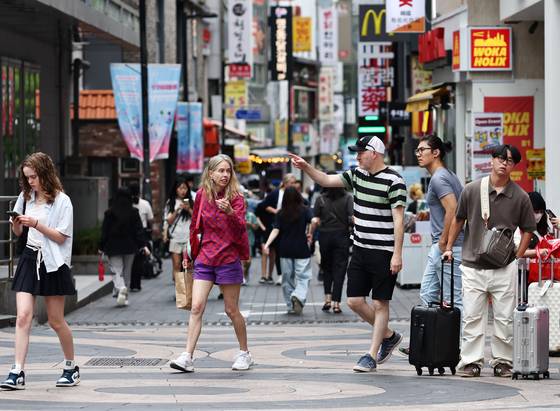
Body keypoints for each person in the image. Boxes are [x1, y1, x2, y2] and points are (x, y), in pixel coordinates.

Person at [290, 135, 407, 373]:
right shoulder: (356, 175)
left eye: (360, 152)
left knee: (380, 303)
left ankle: (371, 355)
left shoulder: (394, 181)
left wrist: (397, 254)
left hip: (384, 251)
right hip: (361, 248)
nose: (357, 156)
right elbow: (326, 179)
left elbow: (399, 221)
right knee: (354, 301)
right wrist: (306, 167)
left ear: (374, 153)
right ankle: (389, 336)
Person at [443, 144, 535, 378]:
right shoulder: (473, 190)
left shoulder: (521, 196)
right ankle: (471, 361)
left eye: (511, 160)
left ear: (514, 166)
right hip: (473, 266)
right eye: (501, 159)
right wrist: (449, 247)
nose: (505, 163)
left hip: (504, 267)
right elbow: (458, 219)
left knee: (504, 319)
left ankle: (502, 362)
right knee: (473, 317)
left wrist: (519, 254)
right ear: (492, 161)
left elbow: (528, 230)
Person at [1, 152, 79, 390]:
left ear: (45, 173)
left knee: (56, 320)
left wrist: (35, 224)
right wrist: (16, 226)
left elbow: (61, 236)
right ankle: (17, 371)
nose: (31, 182)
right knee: (23, 316)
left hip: (52, 262)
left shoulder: (63, 201)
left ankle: (70, 366)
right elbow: (18, 235)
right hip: (29, 258)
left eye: (34, 176)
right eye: (27, 178)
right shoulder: (25, 198)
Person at [170, 154, 253, 373]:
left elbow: (241, 230)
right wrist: (189, 253)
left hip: (228, 258)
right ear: (211, 173)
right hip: (205, 258)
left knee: (231, 310)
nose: (225, 175)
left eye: (228, 171)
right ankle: (187, 356)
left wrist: (231, 213)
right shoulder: (202, 197)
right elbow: (194, 227)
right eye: (221, 171)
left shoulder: (236, 198)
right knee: (196, 307)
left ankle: (244, 353)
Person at [399, 136, 465, 356]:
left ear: (436, 153)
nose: (418, 153)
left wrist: (445, 242)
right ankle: (426, 343)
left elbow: (453, 210)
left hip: (449, 247)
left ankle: (462, 349)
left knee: (454, 301)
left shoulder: (439, 178)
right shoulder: (447, 176)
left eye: (422, 150)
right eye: (417, 150)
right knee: (428, 294)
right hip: (443, 247)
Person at [263, 187, 313, 315]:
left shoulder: (281, 213)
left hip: (285, 248)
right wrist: (310, 232)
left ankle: (291, 305)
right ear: (298, 196)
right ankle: (298, 296)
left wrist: (267, 244)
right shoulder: (305, 210)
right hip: (301, 248)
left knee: (287, 278)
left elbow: (276, 230)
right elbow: (313, 220)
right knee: (303, 277)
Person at [99, 187, 149, 307]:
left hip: (113, 246)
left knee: (117, 270)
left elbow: (104, 232)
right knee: (127, 272)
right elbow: (139, 231)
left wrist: (101, 246)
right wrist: (143, 245)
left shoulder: (109, 213)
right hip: (130, 247)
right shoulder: (134, 212)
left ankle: (120, 288)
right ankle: (124, 295)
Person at [310, 176, 353, 314]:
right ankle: (336, 303)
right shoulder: (347, 198)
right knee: (340, 269)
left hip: (325, 237)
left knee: (326, 268)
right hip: (342, 236)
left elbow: (315, 220)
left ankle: (327, 299)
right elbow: (352, 218)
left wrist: (310, 234)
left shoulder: (320, 199)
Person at [257, 173, 297, 285]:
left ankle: (288, 274)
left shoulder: (295, 194)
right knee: (278, 249)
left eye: (294, 183)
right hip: (276, 224)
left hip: (290, 225)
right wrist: (276, 211)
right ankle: (279, 274)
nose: (293, 185)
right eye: (291, 183)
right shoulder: (276, 193)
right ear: (285, 183)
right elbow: (263, 205)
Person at [165, 176, 194, 284]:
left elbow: (198, 220)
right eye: (180, 188)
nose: (183, 191)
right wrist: (177, 210)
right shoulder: (170, 203)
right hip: (175, 238)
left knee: (188, 265)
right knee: (177, 265)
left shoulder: (191, 202)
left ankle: (188, 290)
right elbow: (169, 221)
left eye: (185, 188)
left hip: (188, 239)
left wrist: (189, 209)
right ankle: (180, 291)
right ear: (175, 189)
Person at [129, 182, 154, 291]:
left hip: (129, 234)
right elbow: (151, 220)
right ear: (139, 192)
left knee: (129, 260)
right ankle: (136, 284)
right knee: (139, 260)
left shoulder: (126, 204)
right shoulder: (145, 204)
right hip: (141, 233)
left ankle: (130, 283)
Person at [243, 197, 259, 284]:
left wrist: (250, 224)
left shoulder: (251, 215)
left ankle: (246, 272)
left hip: (249, 240)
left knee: (248, 261)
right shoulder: (235, 214)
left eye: (244, 206)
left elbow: (256, 227)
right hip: (238, 241)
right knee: (240, 261)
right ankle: (242, 277)